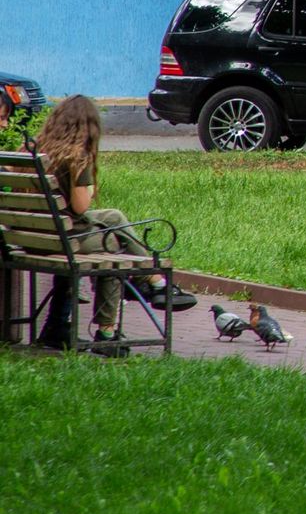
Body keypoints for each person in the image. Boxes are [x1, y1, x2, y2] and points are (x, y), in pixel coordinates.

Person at [31, 95, 194, 351]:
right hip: (64, 239)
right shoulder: (77, 157)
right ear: (90, 127)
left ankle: (153, 281)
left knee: (114, 217)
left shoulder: (35, 149)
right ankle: (108, 333)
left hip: (32, 237)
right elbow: (81, 207)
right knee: (112, 245)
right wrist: (90, 184)